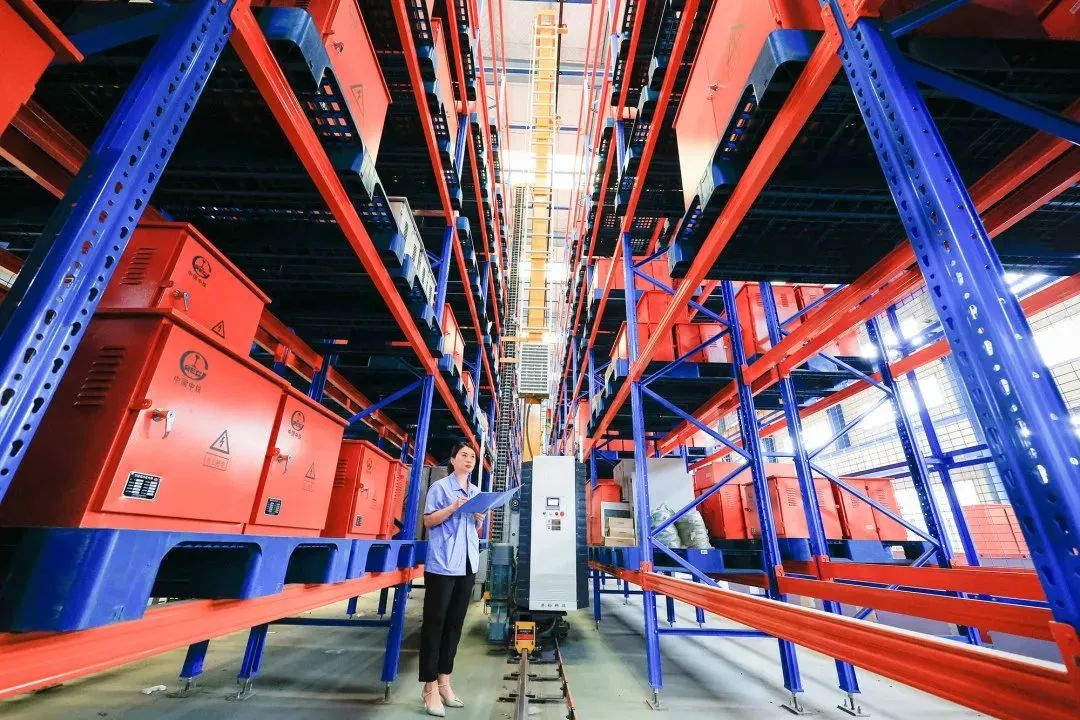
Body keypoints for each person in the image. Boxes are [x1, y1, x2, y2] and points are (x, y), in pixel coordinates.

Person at [419, 441, 485, 717]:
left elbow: (472, 529)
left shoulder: (476, 491)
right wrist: (453, 507)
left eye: (472, 457)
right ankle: (429, 687)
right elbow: (428, 521)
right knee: (435, 625)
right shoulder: (441, 488)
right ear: (453, 459)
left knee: (455, 625)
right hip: (443, 564)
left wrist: (478, 518)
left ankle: (445, 681)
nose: (469, 460)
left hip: (467, 564)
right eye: (464, 455)